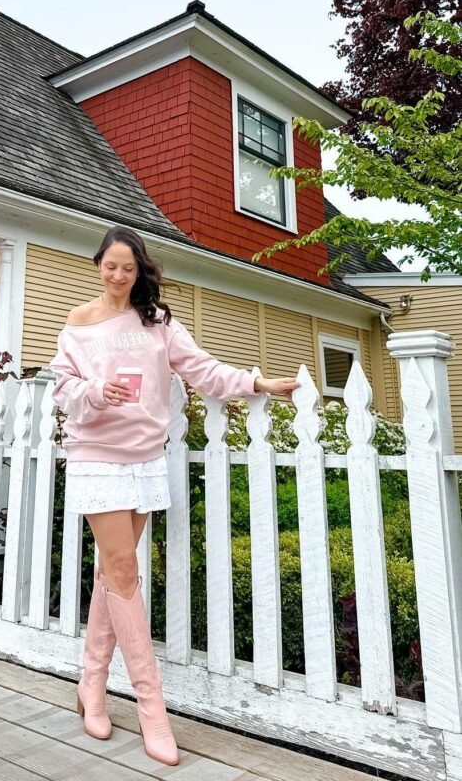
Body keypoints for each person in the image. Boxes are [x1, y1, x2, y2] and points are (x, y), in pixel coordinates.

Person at [50, 225, 299, 766]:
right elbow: (63, 388)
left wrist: (258, 384)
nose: (118, 276)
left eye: (128, 268)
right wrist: (95, 390)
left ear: (139, 272)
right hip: (97, 455)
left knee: (115, 575)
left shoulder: (157, 323)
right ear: (98, 265)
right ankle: (151, 709)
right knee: (121, 570)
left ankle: (91, 685)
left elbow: (202, 370)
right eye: (110, 266)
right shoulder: (78, 322)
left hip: (145, 457)